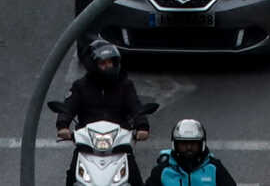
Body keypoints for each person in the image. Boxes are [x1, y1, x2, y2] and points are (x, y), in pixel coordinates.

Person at [56, 41, 150, 185]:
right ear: (93, 65)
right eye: (103, 63)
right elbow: (68, 106)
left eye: (110, 62)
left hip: (119, 143)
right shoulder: (80, 86)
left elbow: (136, 106)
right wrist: (63, 125)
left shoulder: (125, 85)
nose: (108, 66)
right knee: (72, 177)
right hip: (87, 143)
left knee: (135, 178)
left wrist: (142, 126)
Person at [156, 117, 238, 186]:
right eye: (184, 143)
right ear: (175, 144)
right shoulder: (164, 169)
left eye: (193, 143)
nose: (189, 147)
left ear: (202, 144)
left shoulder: (214, 168)